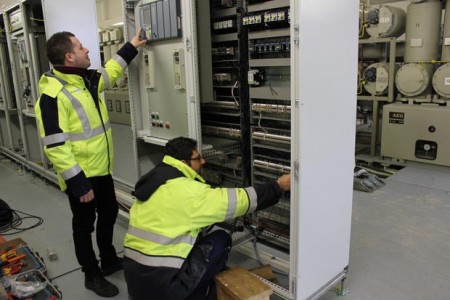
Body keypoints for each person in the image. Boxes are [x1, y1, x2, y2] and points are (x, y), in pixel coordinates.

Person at [35, 30, 147, 297]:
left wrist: (132, 45)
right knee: (84, 227)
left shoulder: (86, 80)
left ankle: (108, 260)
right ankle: (91, 274)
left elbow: (112, 71)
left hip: (102, 170)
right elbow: (55, 145)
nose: (87, 50)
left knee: (108, 215)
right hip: (81, 176)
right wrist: (78, 183)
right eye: (81, 47)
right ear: (69, 56)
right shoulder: (53, 94)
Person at [123, 137, 291, 300]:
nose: (203, 162)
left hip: (135, 279)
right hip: (166, 288)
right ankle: (200, 293)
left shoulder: (156, 180)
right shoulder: (188, 192)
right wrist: (277, 186)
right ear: (183, 162)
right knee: (221, 239)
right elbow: (240, 200)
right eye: (198, 159)